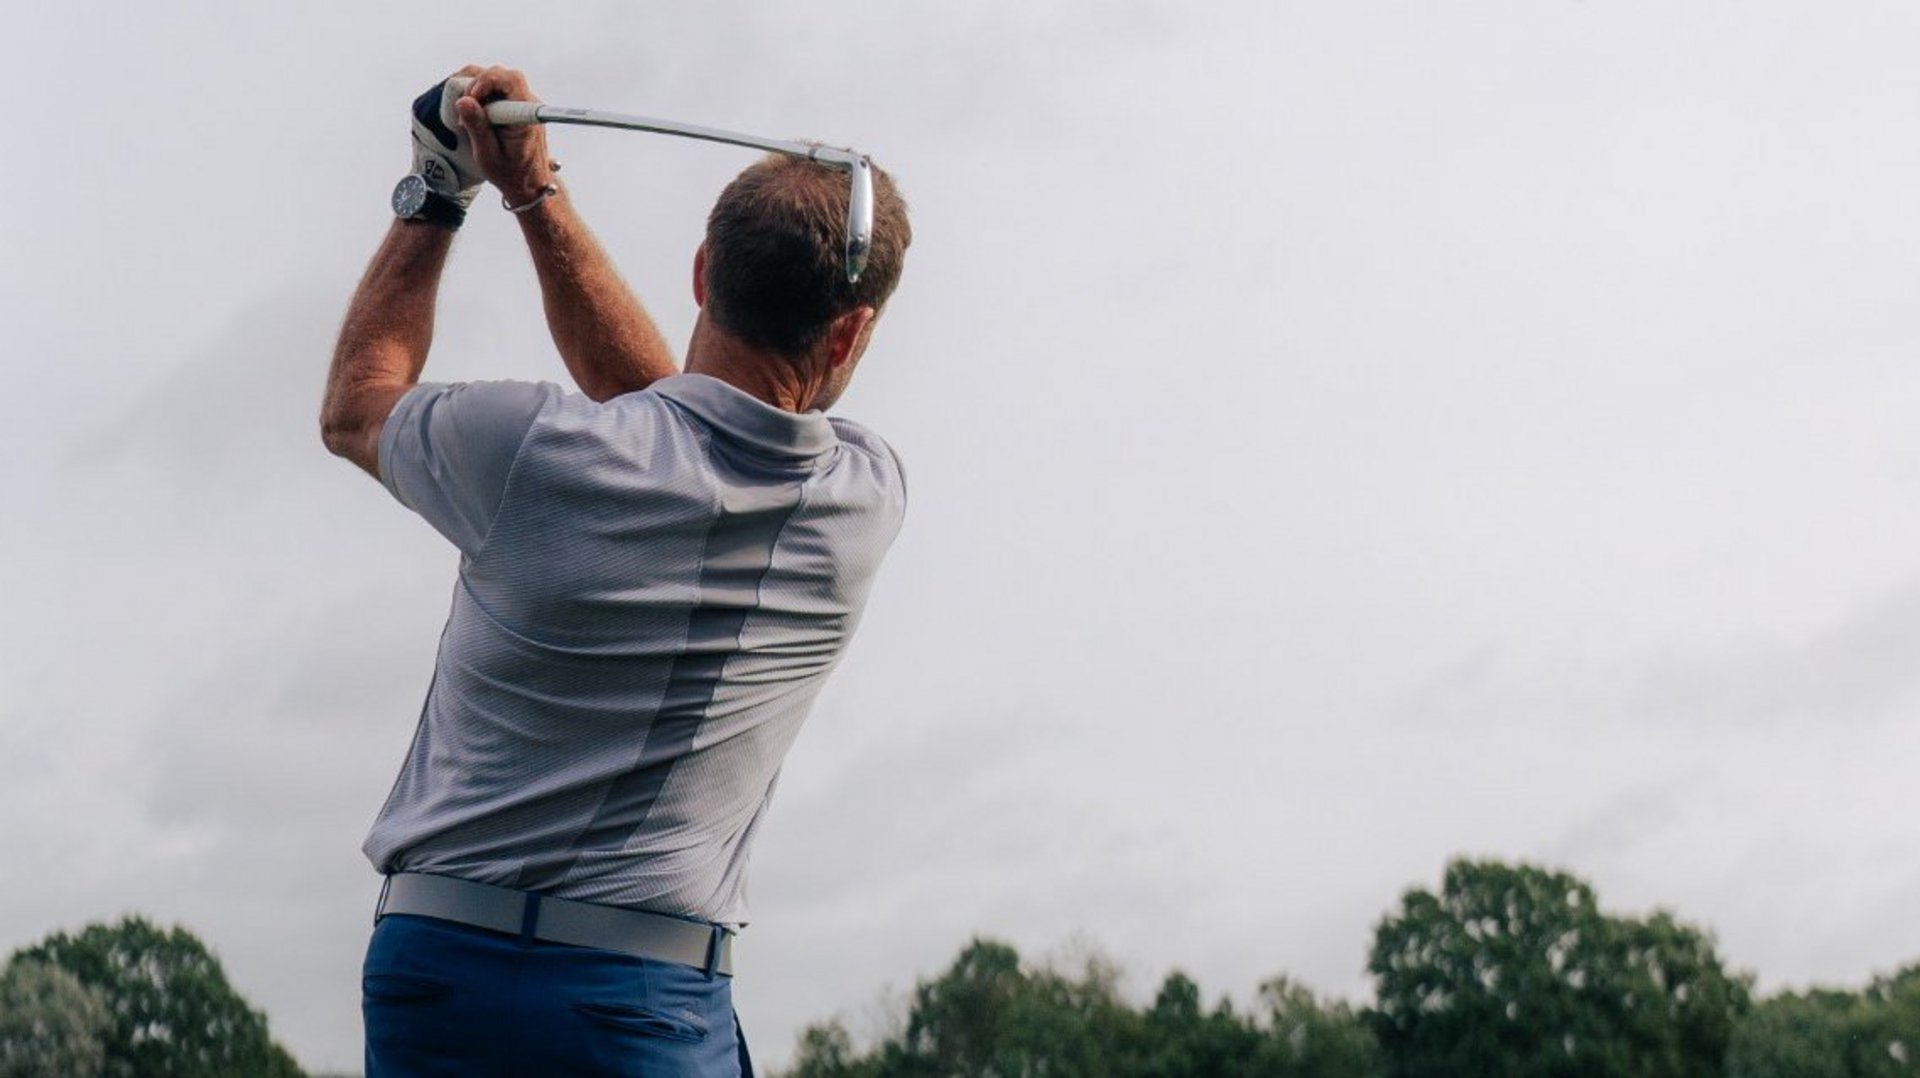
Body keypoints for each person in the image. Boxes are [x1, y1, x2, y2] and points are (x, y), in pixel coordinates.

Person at [320, 64, 912, 1077]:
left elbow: (357, 406)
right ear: (850, 330)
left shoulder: (528, 451)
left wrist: (446, 186)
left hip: (438, 973)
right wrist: (534, 197)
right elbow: (678, 418)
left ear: (699, 272)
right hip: (645, 1003)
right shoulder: (860, 498)